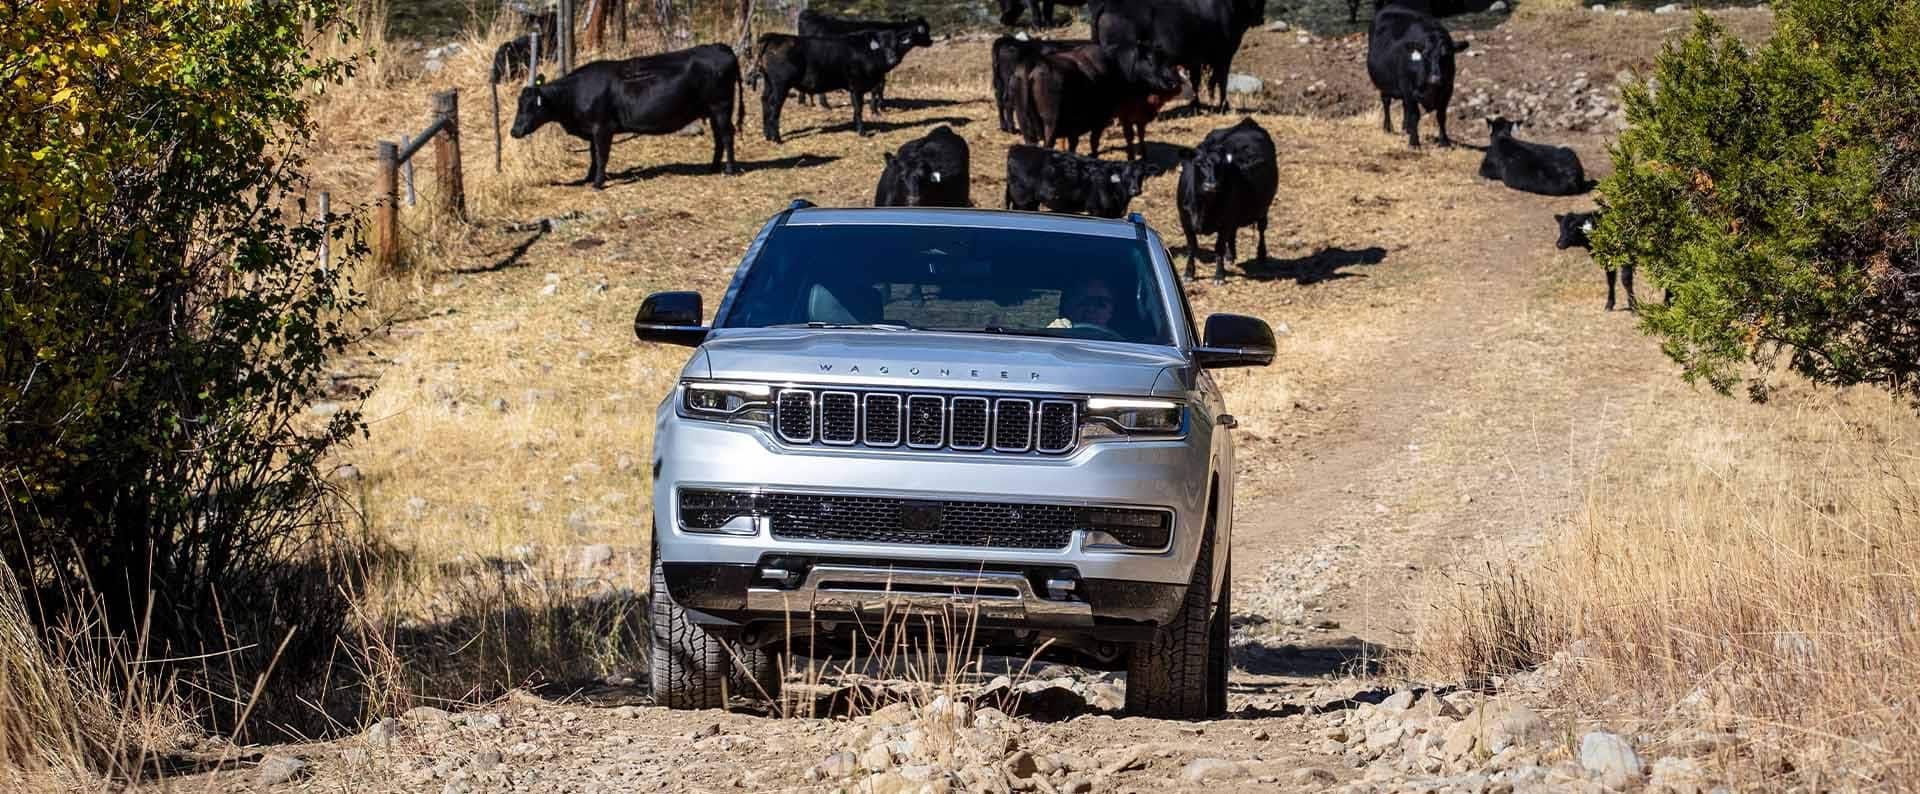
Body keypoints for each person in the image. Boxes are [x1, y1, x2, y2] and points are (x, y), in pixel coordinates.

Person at [1052, 276, 1116, 330]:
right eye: (1083, 302)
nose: (1091, 309)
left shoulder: (1123, 342)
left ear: (1111, 310)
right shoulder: (1056, 334)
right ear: (1068, 307)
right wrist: (1054, 334)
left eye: (1100, 303)